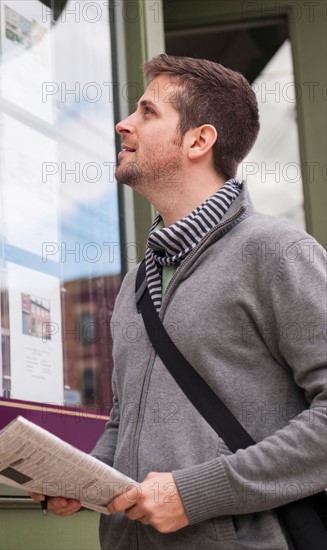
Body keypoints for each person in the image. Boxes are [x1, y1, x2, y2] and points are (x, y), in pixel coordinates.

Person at [30, 55, 327, 549]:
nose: (123, 123)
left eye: (147, 112)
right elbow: (128, 418)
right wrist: (89, 478)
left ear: (198, 140)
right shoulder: (136, 283)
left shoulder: (278, 253)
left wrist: (195, 493)